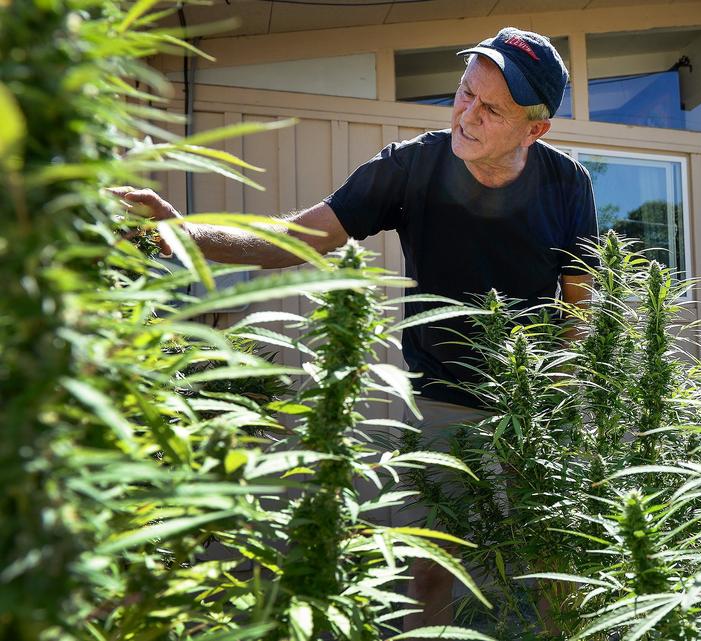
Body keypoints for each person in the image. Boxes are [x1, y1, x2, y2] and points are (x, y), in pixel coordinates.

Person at [115, 27, 598, 628]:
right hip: (442, 401)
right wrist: (183, 233)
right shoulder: (412, 165)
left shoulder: (567, 182)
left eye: (490, 108)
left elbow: (580, 299)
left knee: (552, 568)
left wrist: (558, 391)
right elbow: (300, 237)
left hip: (531, 404)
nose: (466, 114)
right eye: (465, 92)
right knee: (431, 570)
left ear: (534, 129)